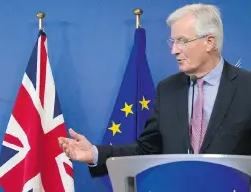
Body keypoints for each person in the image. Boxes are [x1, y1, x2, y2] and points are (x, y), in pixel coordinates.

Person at [58, 3, 251, 177]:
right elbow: (146, 150)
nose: (174, 50)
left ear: (209, 41)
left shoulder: (246, 87)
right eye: (173, 41)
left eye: (182, 41)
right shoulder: (167, 90)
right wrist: (94, 153)